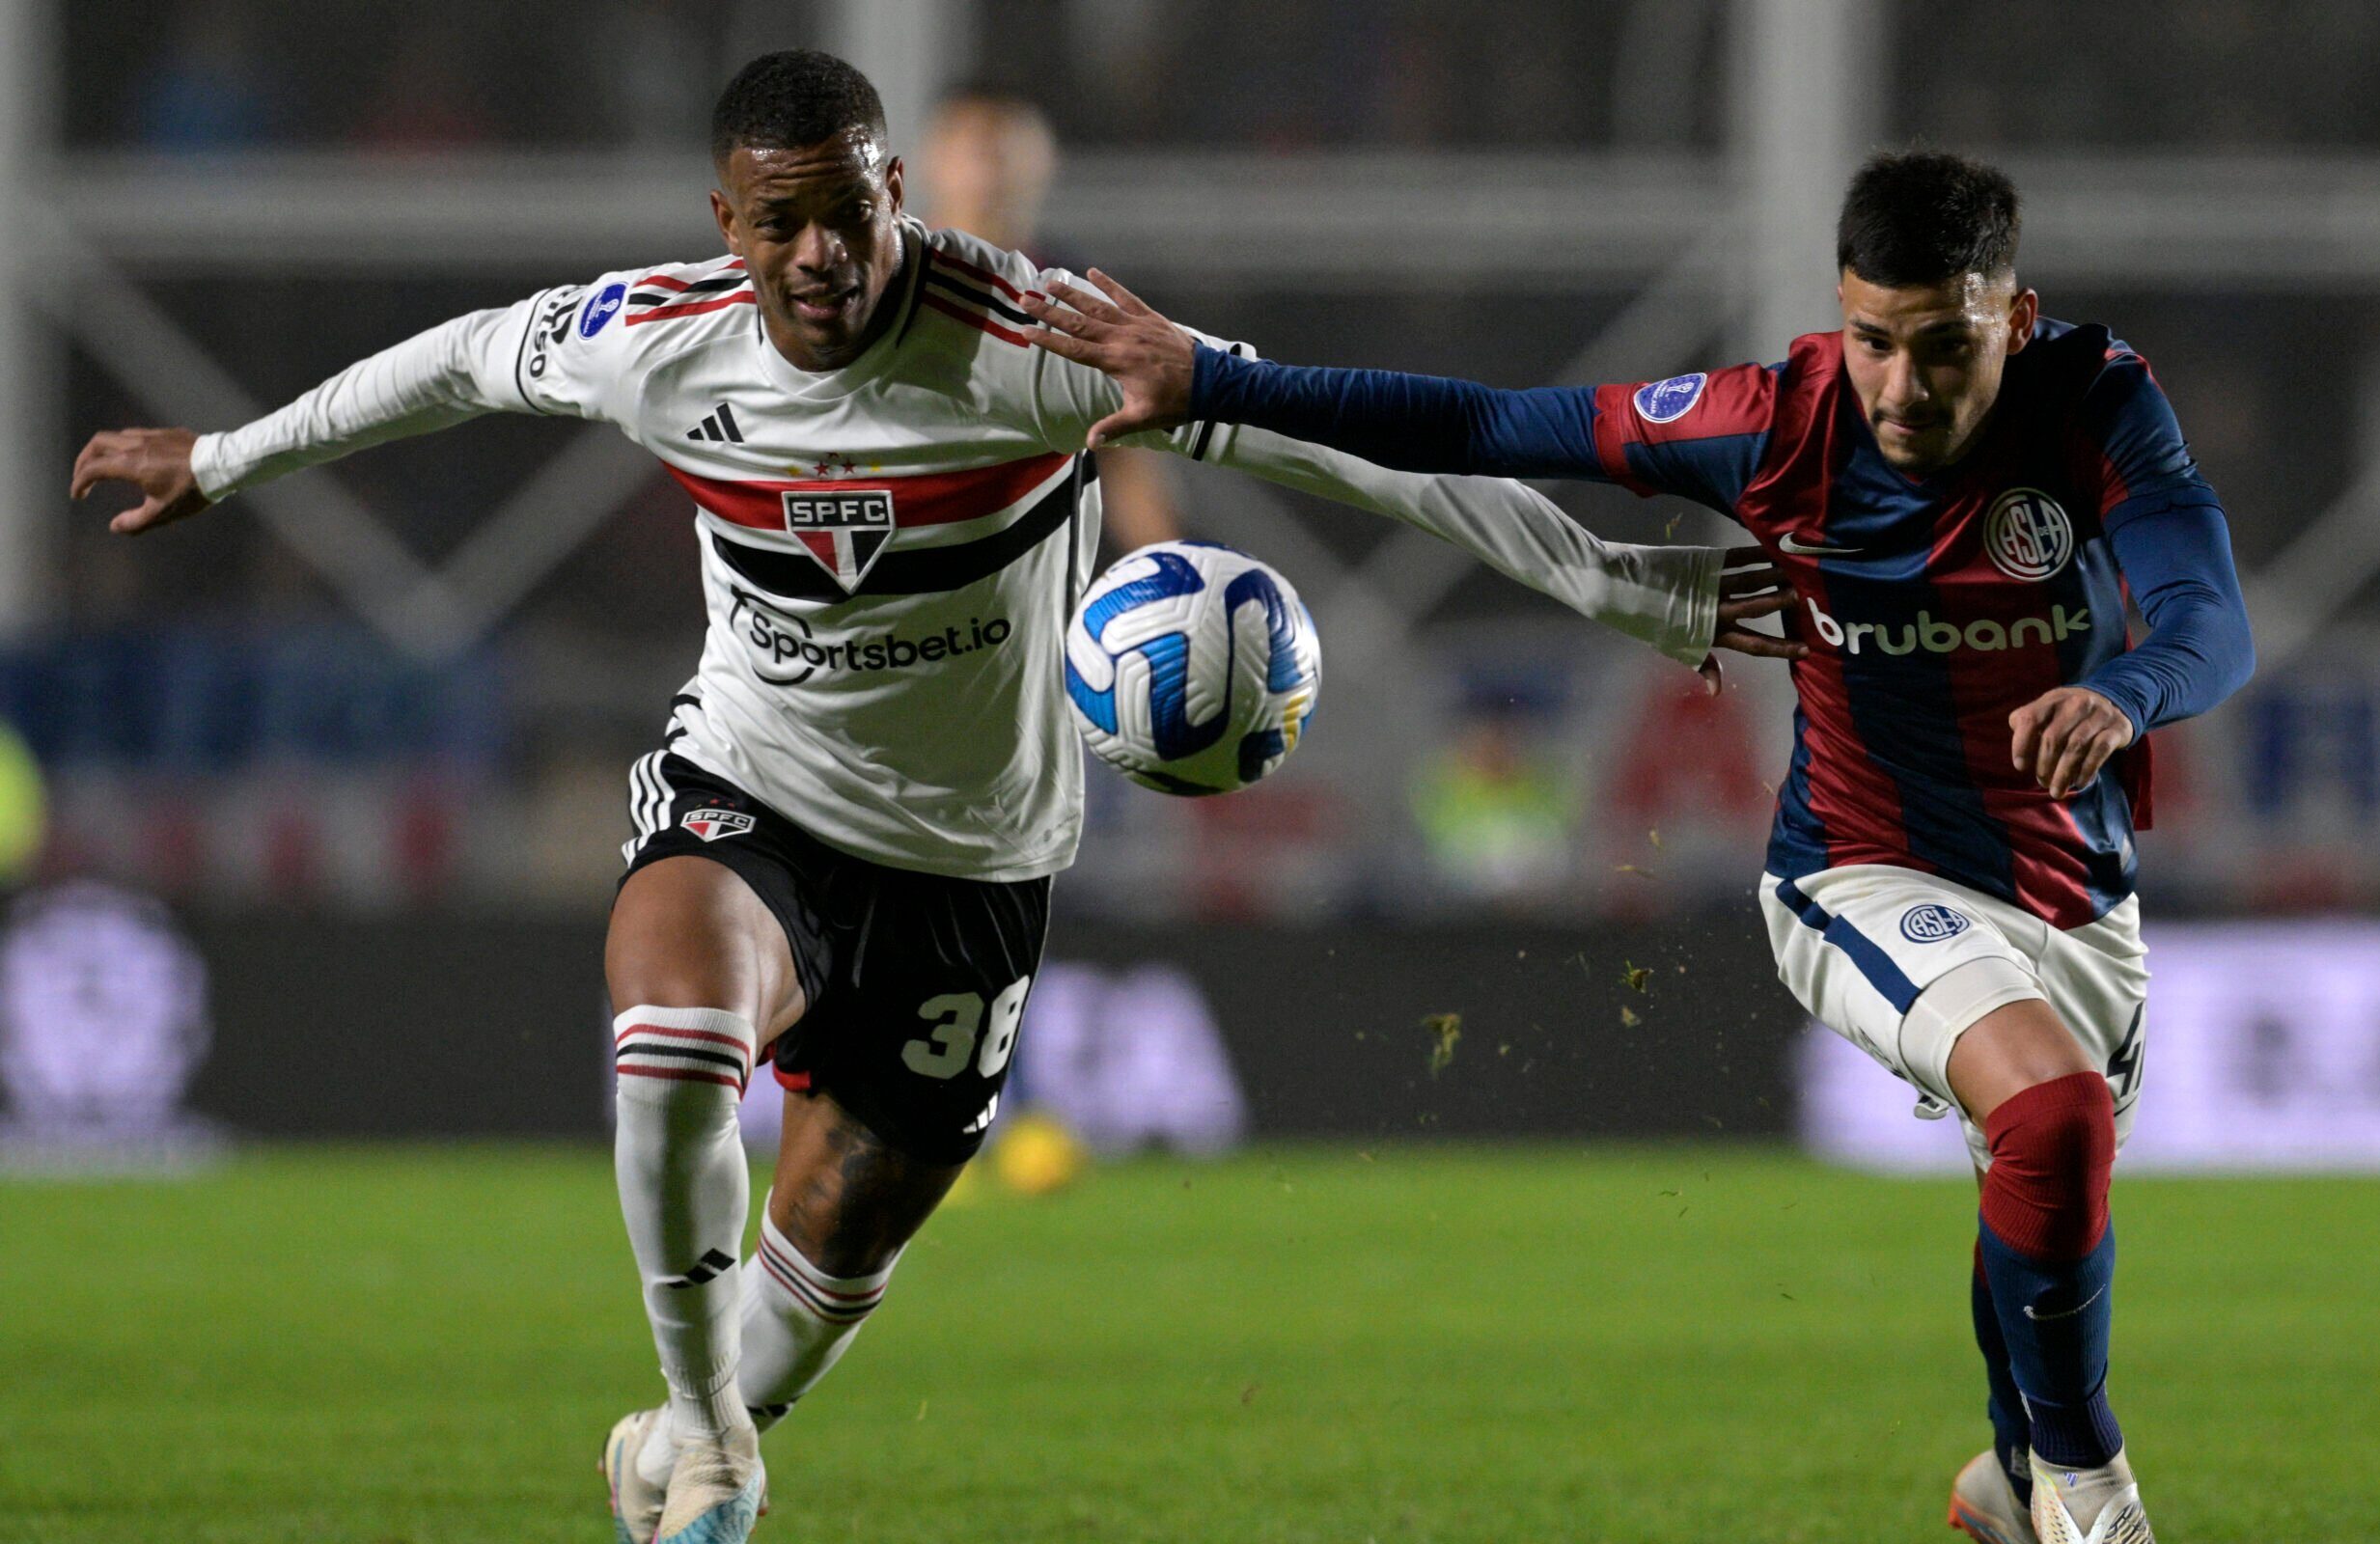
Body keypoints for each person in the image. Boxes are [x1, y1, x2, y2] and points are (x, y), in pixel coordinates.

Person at [69, 50, 1789, 1544]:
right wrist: (226, 461)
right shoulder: (651, 338)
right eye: (777, 222)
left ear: (896, 188)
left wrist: (1625, 588)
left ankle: (688, 1432)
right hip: (752, 786)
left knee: (833, 1246)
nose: (819, 255)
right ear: (726, 222)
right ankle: (706, 1418)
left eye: (848, 212)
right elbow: (454, 363)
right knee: (670, 1040)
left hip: (977, 857)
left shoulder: (1036, 344)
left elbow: (1336, 446)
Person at [1024, 150, 2254, 1544]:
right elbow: (1487, 424)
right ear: (1840, 317)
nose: (1901, 390)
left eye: (1943, 350)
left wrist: (2126, 691)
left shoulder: (2093, 402)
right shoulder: (1771, 424)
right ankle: (2094, 1497)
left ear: (2013, 322)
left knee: (2037, 1165)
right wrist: (1217, 381)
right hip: (1864, 871)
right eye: (1872, 344)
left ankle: (2007, 1479)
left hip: (2077, 893)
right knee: (2049, 1114)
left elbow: (2207, 609)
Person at [914, 83, 1185, 552]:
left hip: (1030, 570)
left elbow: (1126, 457)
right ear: (931, 160)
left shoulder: (1080, 299)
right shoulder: (881, 285)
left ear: (1044, 160)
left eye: (1003, 150)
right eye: (971, 148)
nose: (987, 171)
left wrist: (1170, 566)